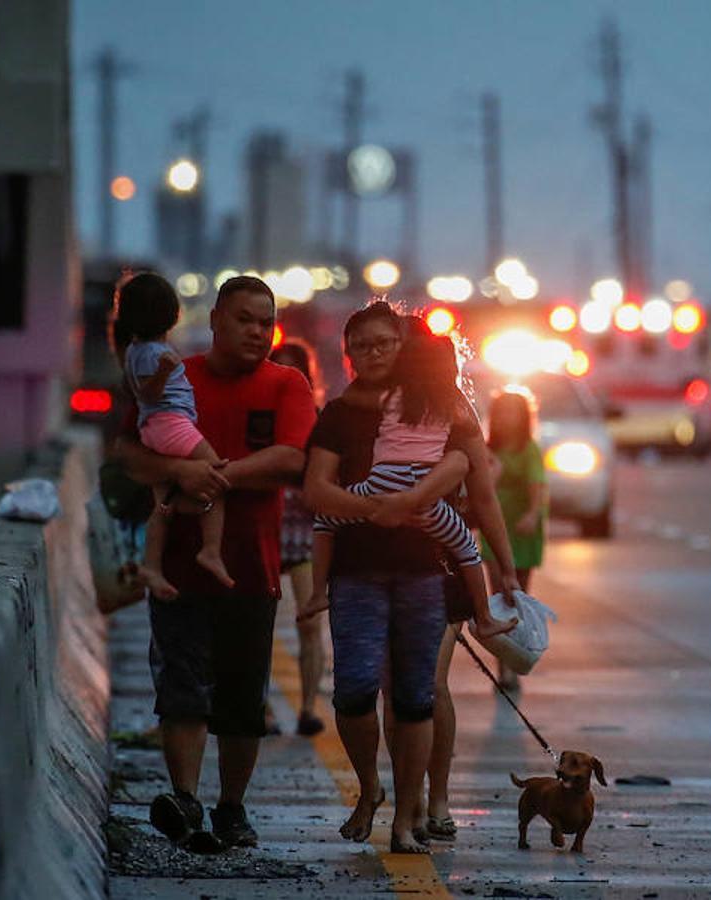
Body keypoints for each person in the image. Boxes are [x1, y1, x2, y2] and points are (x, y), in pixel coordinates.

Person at [303, 301, 523, 854]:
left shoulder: (446, 407)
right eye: (362, 345)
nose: (373, 353)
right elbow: (318, 493)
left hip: (432, 570)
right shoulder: (342, 412)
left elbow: (484, 495)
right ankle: (383, 792)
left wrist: (506, 568)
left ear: (403, 348)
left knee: (419, 694)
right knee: (361, 691)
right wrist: (375, 509)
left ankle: (422, 807)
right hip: (359, 570)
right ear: (348, 353)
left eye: (385, 343)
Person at [114, 275, 315, 851]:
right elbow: (129, 451)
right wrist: (179, 471)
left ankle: (232, 806)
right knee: (179, 688)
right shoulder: (180, 375)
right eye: (245, 319)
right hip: (176, 570)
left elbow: (292, 459)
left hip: (254, 566)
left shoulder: (287, 383)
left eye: (265, 321)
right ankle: (185, 798)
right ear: (216, 322)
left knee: (242, 700)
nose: (257, 331)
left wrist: (213, 475)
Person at [305, 327, 516, 641]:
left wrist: (380, 505)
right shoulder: (452, 405)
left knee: (325, 521)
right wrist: (508, 571)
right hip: (423, 497)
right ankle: (484, 618)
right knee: (468, 549)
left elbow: (354, 397)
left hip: (380, 482)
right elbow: (479, 482)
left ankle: (316, 592)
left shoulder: (386, 397)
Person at [114, 272, 233, 599]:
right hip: (171, 424)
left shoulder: (133, 351)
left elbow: (134, 391)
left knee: (161, 507)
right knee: (217, 478)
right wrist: (166, 371)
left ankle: (151, 566)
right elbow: (148, 396)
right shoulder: (154, 353)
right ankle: (211, 549)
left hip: (155, 429)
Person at [270, 336, 328, 737]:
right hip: (265, 527)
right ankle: (260, 709)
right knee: (258, 625)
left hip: (307, 532)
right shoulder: (258, 413)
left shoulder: (320, 419)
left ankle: (308, 708)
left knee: (310, 623)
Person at [479, 390, 549, 689]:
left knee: (518, 597)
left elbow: (537, 485)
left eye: (514, 413)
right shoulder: (486, 448)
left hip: (522, 530)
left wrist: (533, 514)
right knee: (498, 599)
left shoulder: (528, 449)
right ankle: (503, 669)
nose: (508, 419)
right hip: (495, 529)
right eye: (502, 413)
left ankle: (516, 660)